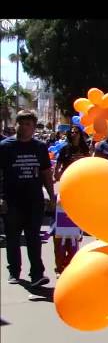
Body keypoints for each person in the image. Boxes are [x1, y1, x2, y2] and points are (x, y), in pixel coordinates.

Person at [0, 110, 56, 286]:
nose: (24, 127)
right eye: (21, 123)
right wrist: (1, 198)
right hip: (12, 200)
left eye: (28, 124)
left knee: (34, 238)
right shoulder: (5, 147)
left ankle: (37, 274)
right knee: (13, 238)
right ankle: (14, 271)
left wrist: (51, 195)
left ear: (33, 128)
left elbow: (46, 173)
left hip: (34, 200)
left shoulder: (39, 147)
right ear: (16, 124)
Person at [52, 125, 90, 275]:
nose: (74, 135)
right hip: (66, 193)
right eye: (72, 132)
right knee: (62, 231)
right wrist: (60, 173)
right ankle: (60, 263)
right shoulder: (64, 150)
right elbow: (57, 172)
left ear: (80, 135)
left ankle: (72, 261)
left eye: (76, 132)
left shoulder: (85, 150)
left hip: (80, 195)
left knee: (75, 232)